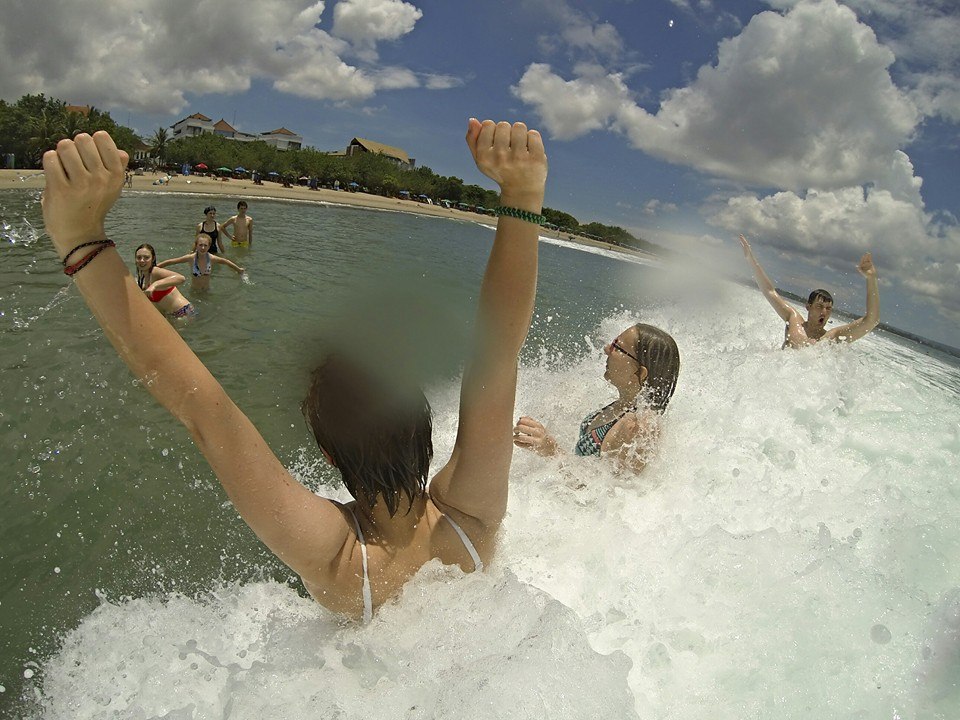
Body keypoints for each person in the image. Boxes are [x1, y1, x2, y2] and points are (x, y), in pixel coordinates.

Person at [41, 120, 547, 622]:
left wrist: (81, 236)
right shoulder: (470, 516)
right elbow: (498, 347)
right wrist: (523, 194)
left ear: (328, 454)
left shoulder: (337, 556)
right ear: (426, 425)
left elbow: (206, 408)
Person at [513, 324, 680, 474]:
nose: (607, 349)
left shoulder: (639, 427)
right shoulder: (621, 408)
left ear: (640, 373)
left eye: (617, 347)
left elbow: (610, 491)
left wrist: (550, 449)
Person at [738, 234, 880, 348]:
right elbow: (769, 291)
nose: (824, 312)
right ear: (808, 306)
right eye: (819, 306)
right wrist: (750, 259)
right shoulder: (793, 319)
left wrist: (871, 278)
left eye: (828, 308)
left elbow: (871, 320)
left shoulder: (832, 338)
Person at [157, 233, 244, 290]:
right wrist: (156, 267)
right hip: (194, 291)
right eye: (200, 245)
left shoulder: (212, 258)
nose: (203, 248)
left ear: (209, 246)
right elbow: (171, 261)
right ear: (196, 245)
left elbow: (226, 262)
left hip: (207, 291)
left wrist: (239, 270)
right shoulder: (191, 258)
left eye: (205, 245)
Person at [134, 243, 196, 318]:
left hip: (183, 312)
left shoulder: (155, 271)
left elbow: (181, 278)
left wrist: (155, 285)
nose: (142, 260)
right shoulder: (142, 276)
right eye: (139, 257)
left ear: (153, 259)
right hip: (170, 315)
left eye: (146, 257)